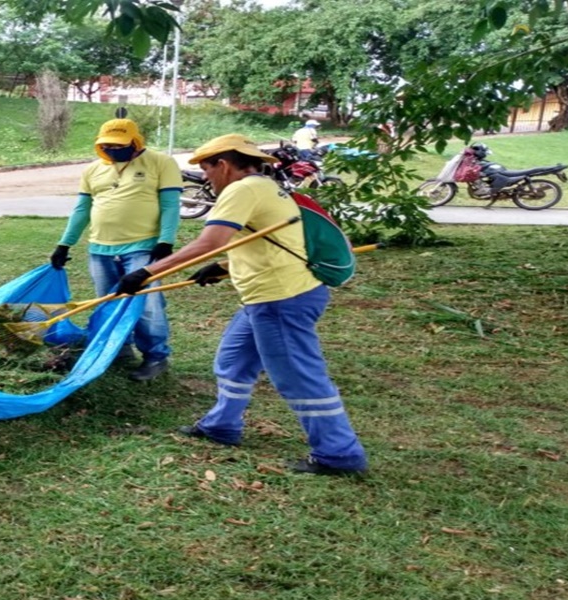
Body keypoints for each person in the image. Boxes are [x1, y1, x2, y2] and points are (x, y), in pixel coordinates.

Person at [116, 134, 368, 476]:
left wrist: (147, 272)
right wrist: (222, 268)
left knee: (299, 376)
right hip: (267, 297)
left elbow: (209, 242)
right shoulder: (265, 187)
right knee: (233, 361)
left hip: (281, 298)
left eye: (207, 170)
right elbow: (269, 241)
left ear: (222, 164)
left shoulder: (242, 189)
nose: (206, 178)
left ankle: (339, 454)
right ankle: (222, 426)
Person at [49, 118, 183, 382]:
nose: (112, 149)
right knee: (109, 301)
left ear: (135, 141)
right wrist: (64, 244)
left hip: (142, 247)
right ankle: (120, 350)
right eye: (107, 145)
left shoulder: (161, 162)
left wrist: (165, 241)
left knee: (148, 305)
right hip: (100, 249)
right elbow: (82, 209)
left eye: (119, 145)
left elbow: (170, 205)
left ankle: (156, 357)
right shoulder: (93, 170)